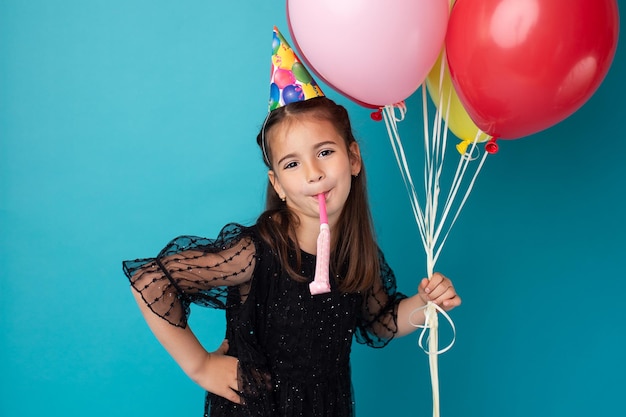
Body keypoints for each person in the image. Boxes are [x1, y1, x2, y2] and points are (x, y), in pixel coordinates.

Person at [122, 28, 461, 417]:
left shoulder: (354, 252)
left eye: (325, 152)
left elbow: (380, 320)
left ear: (353, 158)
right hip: (260, 408)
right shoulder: (255, 251)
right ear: (278, 185)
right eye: (293, 164)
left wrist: (425, 303)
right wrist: (200, 366)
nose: (314, 174)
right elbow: (152, 279)